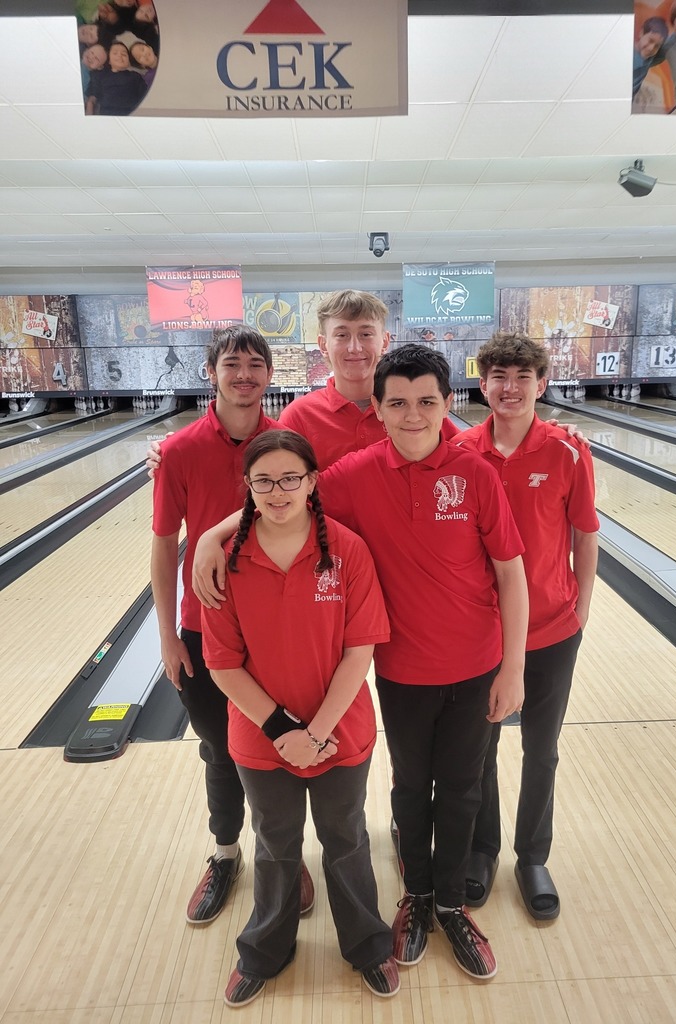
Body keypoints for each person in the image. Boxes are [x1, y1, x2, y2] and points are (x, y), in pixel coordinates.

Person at [193, 345, 529, 981]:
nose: (412, 415)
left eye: (427, 401)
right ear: (376, 408)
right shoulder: (352, 473)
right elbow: (282, 492)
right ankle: (414, 898)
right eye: (397, 403)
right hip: (400, 669)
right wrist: (214, 536)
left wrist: (512, 669)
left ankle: (451, 905)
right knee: (408, 790)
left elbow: (511, 575)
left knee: (462, 790)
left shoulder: (475, 471)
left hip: (475, 663)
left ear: (448, 403)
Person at [201, 430, 398, 1005]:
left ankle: (367, 945)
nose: (278, 490)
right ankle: (266, 950)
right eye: (264, 480)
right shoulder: (228, 561)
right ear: (248, 488)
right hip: (263, 742)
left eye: (292, 477)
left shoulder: (348, 550)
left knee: (346, 840)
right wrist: (285, 732)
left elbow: (360, 650)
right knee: (275, 843)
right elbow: (222, 664)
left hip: (340, 735)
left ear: (313, 482)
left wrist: (315, 733)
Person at [150, 324, 315, 928]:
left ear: (270, 375)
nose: (244, 375)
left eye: (255, 365)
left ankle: (286, 854)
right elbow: (165, 546)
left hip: (279, 626)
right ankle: (225, 853)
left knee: (282, 746)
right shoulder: (179, 450)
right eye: (232, 364)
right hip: (204, 629)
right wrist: (167, 635)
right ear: (211, 371)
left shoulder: (291, 445)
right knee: (220, 750)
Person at [454, 332, 599, 919]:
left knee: (542, 749)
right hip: (483, 634)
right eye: (498, 376)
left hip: (552, 629)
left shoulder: (567, 450)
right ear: (482, 384)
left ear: (542, 384)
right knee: (479, 748)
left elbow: (586, 533)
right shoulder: (461, 451)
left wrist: (581, 606)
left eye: (522, 377)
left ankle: (532, 855)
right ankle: (481, 851)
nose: (509, 388)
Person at [279, 290, 458, 471]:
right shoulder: (298, 418)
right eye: (342, 335)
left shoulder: (422, 414)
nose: (354, 348)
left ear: (385, 341)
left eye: (366, 334)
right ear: (323, 345)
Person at [632, 16, 668, 96]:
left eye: (657, 46)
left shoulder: (650, 58)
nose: (651, 48)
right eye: (650, 40)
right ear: (641, 33)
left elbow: (669, 45)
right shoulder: (629, 54)